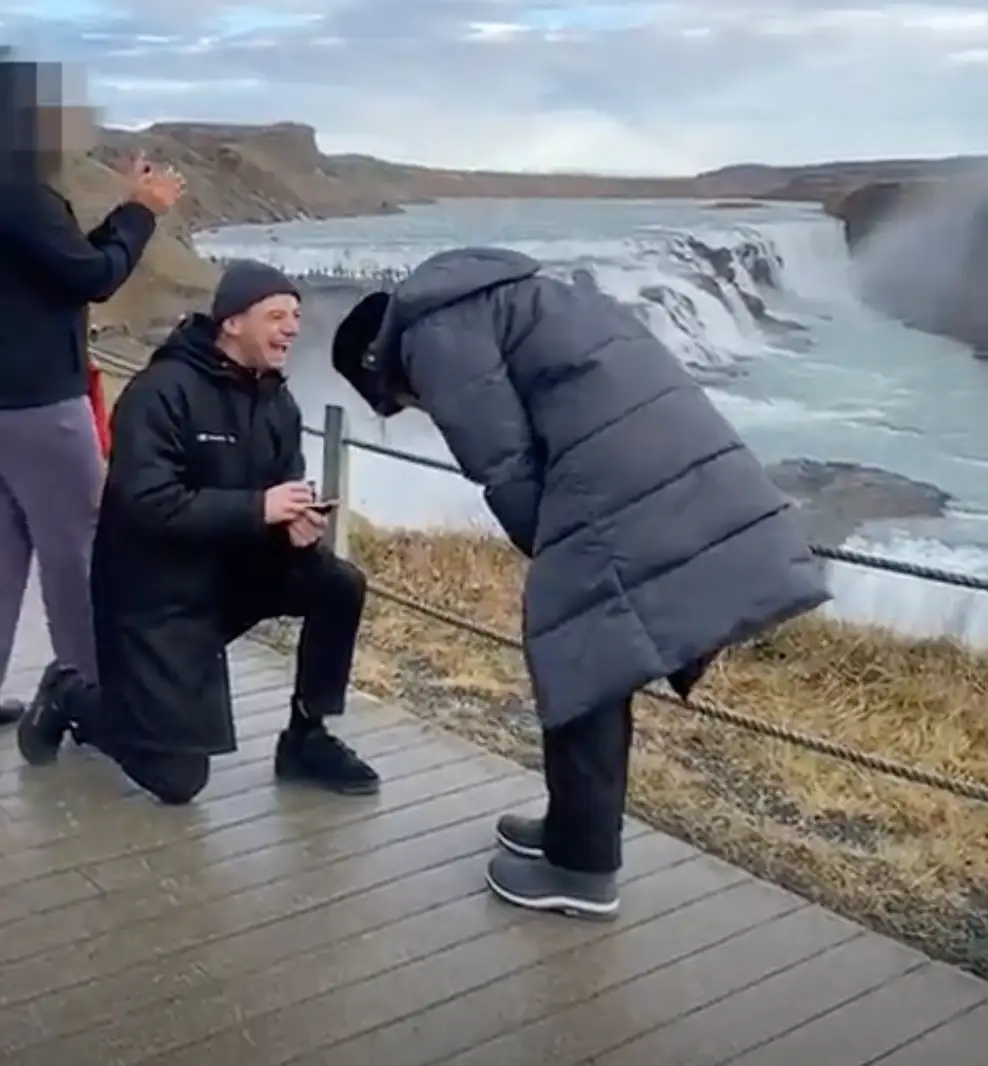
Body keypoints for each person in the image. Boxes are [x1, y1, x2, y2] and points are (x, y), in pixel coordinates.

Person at [331, 247, 829, 918]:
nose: (418, 405)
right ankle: (572, 827)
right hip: (664, 444)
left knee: (579, 654)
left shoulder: (429, 335)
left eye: (402, 400)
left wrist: (552, 552)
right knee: (592, 647)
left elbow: (501, 463)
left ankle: (582, 868)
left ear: (378, 361)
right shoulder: (508, 295)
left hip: (611, 466)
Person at [18, 260, 380, 805]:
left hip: (227, 573)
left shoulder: (276, 401)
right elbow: (147, 505)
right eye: (276, 315)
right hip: (153, 596)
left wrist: (295, 525)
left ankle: (307, 736)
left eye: (296, 316)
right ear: (231, 322)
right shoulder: (159, 392)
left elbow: (278, 494)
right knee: (178, 782)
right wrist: (260, 508)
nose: (292, 328)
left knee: (337, 583)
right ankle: (71, 693)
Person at [0, 53, 184, 726]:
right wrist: (141, 212)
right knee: (78, 549)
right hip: (39, 404)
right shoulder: (19, 189)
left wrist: (122, 213)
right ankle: (92, 699)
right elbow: (91, 277)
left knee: (5, 553)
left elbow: (62, 263)